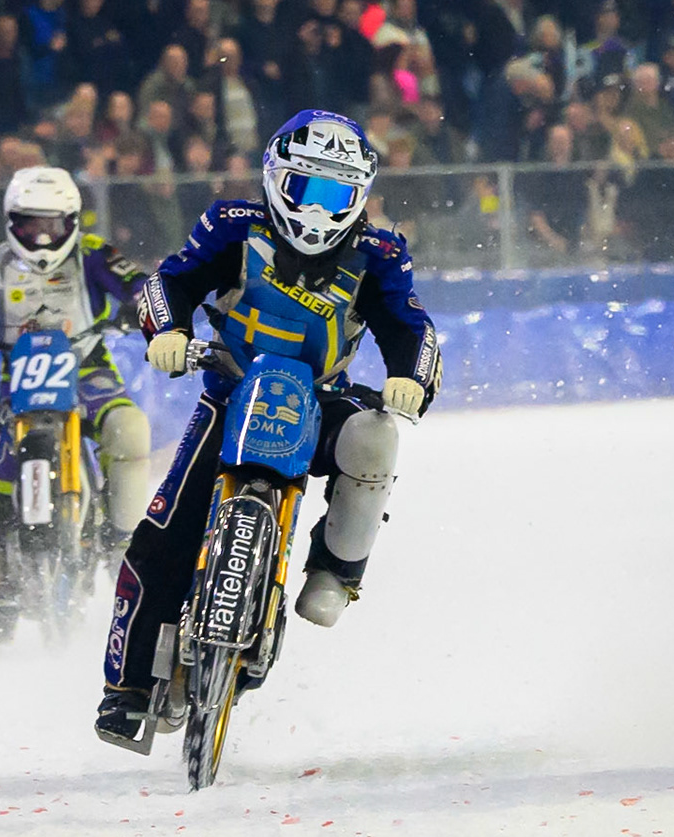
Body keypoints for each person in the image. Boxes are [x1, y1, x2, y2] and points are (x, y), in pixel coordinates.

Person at [96, 110, 443, 746]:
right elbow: (168, 280)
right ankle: (125, 690)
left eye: (336, 194)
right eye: (307, 189)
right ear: (276, 180)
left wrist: (412, 379)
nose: (319, 210)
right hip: (228, 395)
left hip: (323, 398)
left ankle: (337, 574)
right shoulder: (231, 226)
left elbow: (412, 329)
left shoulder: (380, 253)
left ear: (360, 196)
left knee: (376, 436)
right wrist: (168, 332)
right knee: (159, 537)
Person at [0, 166, 153, 646]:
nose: (43, 237)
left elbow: (142, 286)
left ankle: (124, 540)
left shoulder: (93, 254)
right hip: (20, 376)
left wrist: (139, 307)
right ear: (11, 221)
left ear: (73, 221)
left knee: (129, 431)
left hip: (88, 367)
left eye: (53, 225)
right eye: (31, 225)